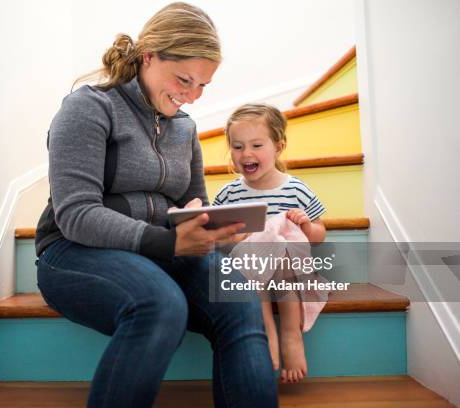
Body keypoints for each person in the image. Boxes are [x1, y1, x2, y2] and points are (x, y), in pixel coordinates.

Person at [35, 3, 278, 407]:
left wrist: (215, 229)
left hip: (163, 248)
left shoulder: (185, 128)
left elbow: (193, 203)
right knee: (160, 303)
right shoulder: (89, 108)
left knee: (237, 295)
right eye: (185, 79)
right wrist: (169, 244)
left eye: (204, 86)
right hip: (74, 251)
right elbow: (77, 215)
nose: (193, 97)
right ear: (149, 56)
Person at [213, 103, 327, 383]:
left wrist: (305, 225)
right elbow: (218, 238)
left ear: (278, 147)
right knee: (254, 256)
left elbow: (318, 234)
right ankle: (267, 331)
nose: (246, 154)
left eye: (256, 145)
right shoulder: (229, 194)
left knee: (281, 242)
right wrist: (231, 238)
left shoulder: (295, 188)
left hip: (288, 268)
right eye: (237, 147)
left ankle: (290, 333)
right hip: (251, 270)